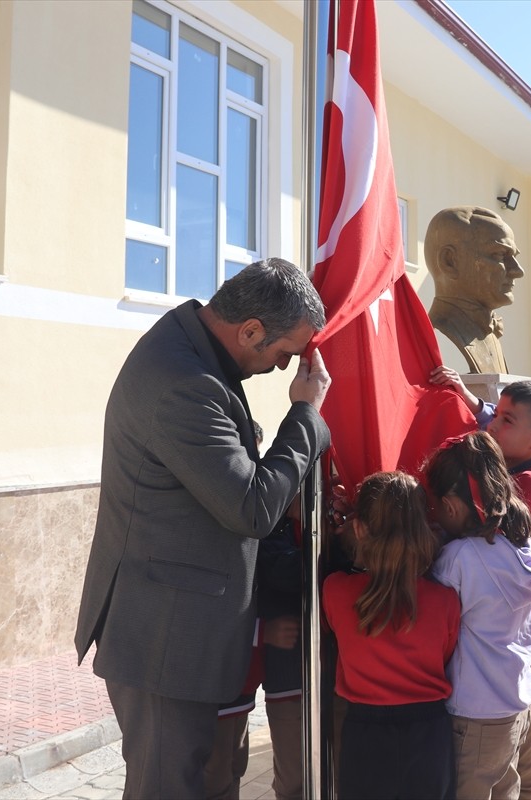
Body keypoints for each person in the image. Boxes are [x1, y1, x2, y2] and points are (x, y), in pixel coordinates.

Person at [74, 258, 331, 799]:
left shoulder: (193, 348)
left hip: (173, 625)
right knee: (167, 788)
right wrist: (305, 417)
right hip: (164, 638)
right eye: (285, 353)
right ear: (251, 330)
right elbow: (253, 508)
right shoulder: (185, 383)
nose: (287, 368)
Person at [430, 368, 531, 800]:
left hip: (528, 649)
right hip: (517, 644)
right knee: (512, 769)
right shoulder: (526, 463)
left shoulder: (525, 485)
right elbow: (499, 428)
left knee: (530, 770)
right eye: (496, 413)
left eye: (505, 420)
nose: (491, 423)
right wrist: (473, 404)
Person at [322, 471, 461, 800]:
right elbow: (444, 655)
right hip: (430, 733)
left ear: (359, 529)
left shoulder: (335, 591)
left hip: (364, 734)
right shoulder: (446, 600)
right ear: (424, 531)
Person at [204, 424, 306, 800]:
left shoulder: (266, 519)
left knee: (233, 767)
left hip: (243, 683)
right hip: (219, 681)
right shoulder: (231, 524)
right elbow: (213, 611)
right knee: (214, 776)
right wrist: (262, 633)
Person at [425, 206, 524, 374]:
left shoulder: (490, 335)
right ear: (450, 261)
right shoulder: (438, 338)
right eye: (500, 255)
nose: (517, 271)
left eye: (514, 257)